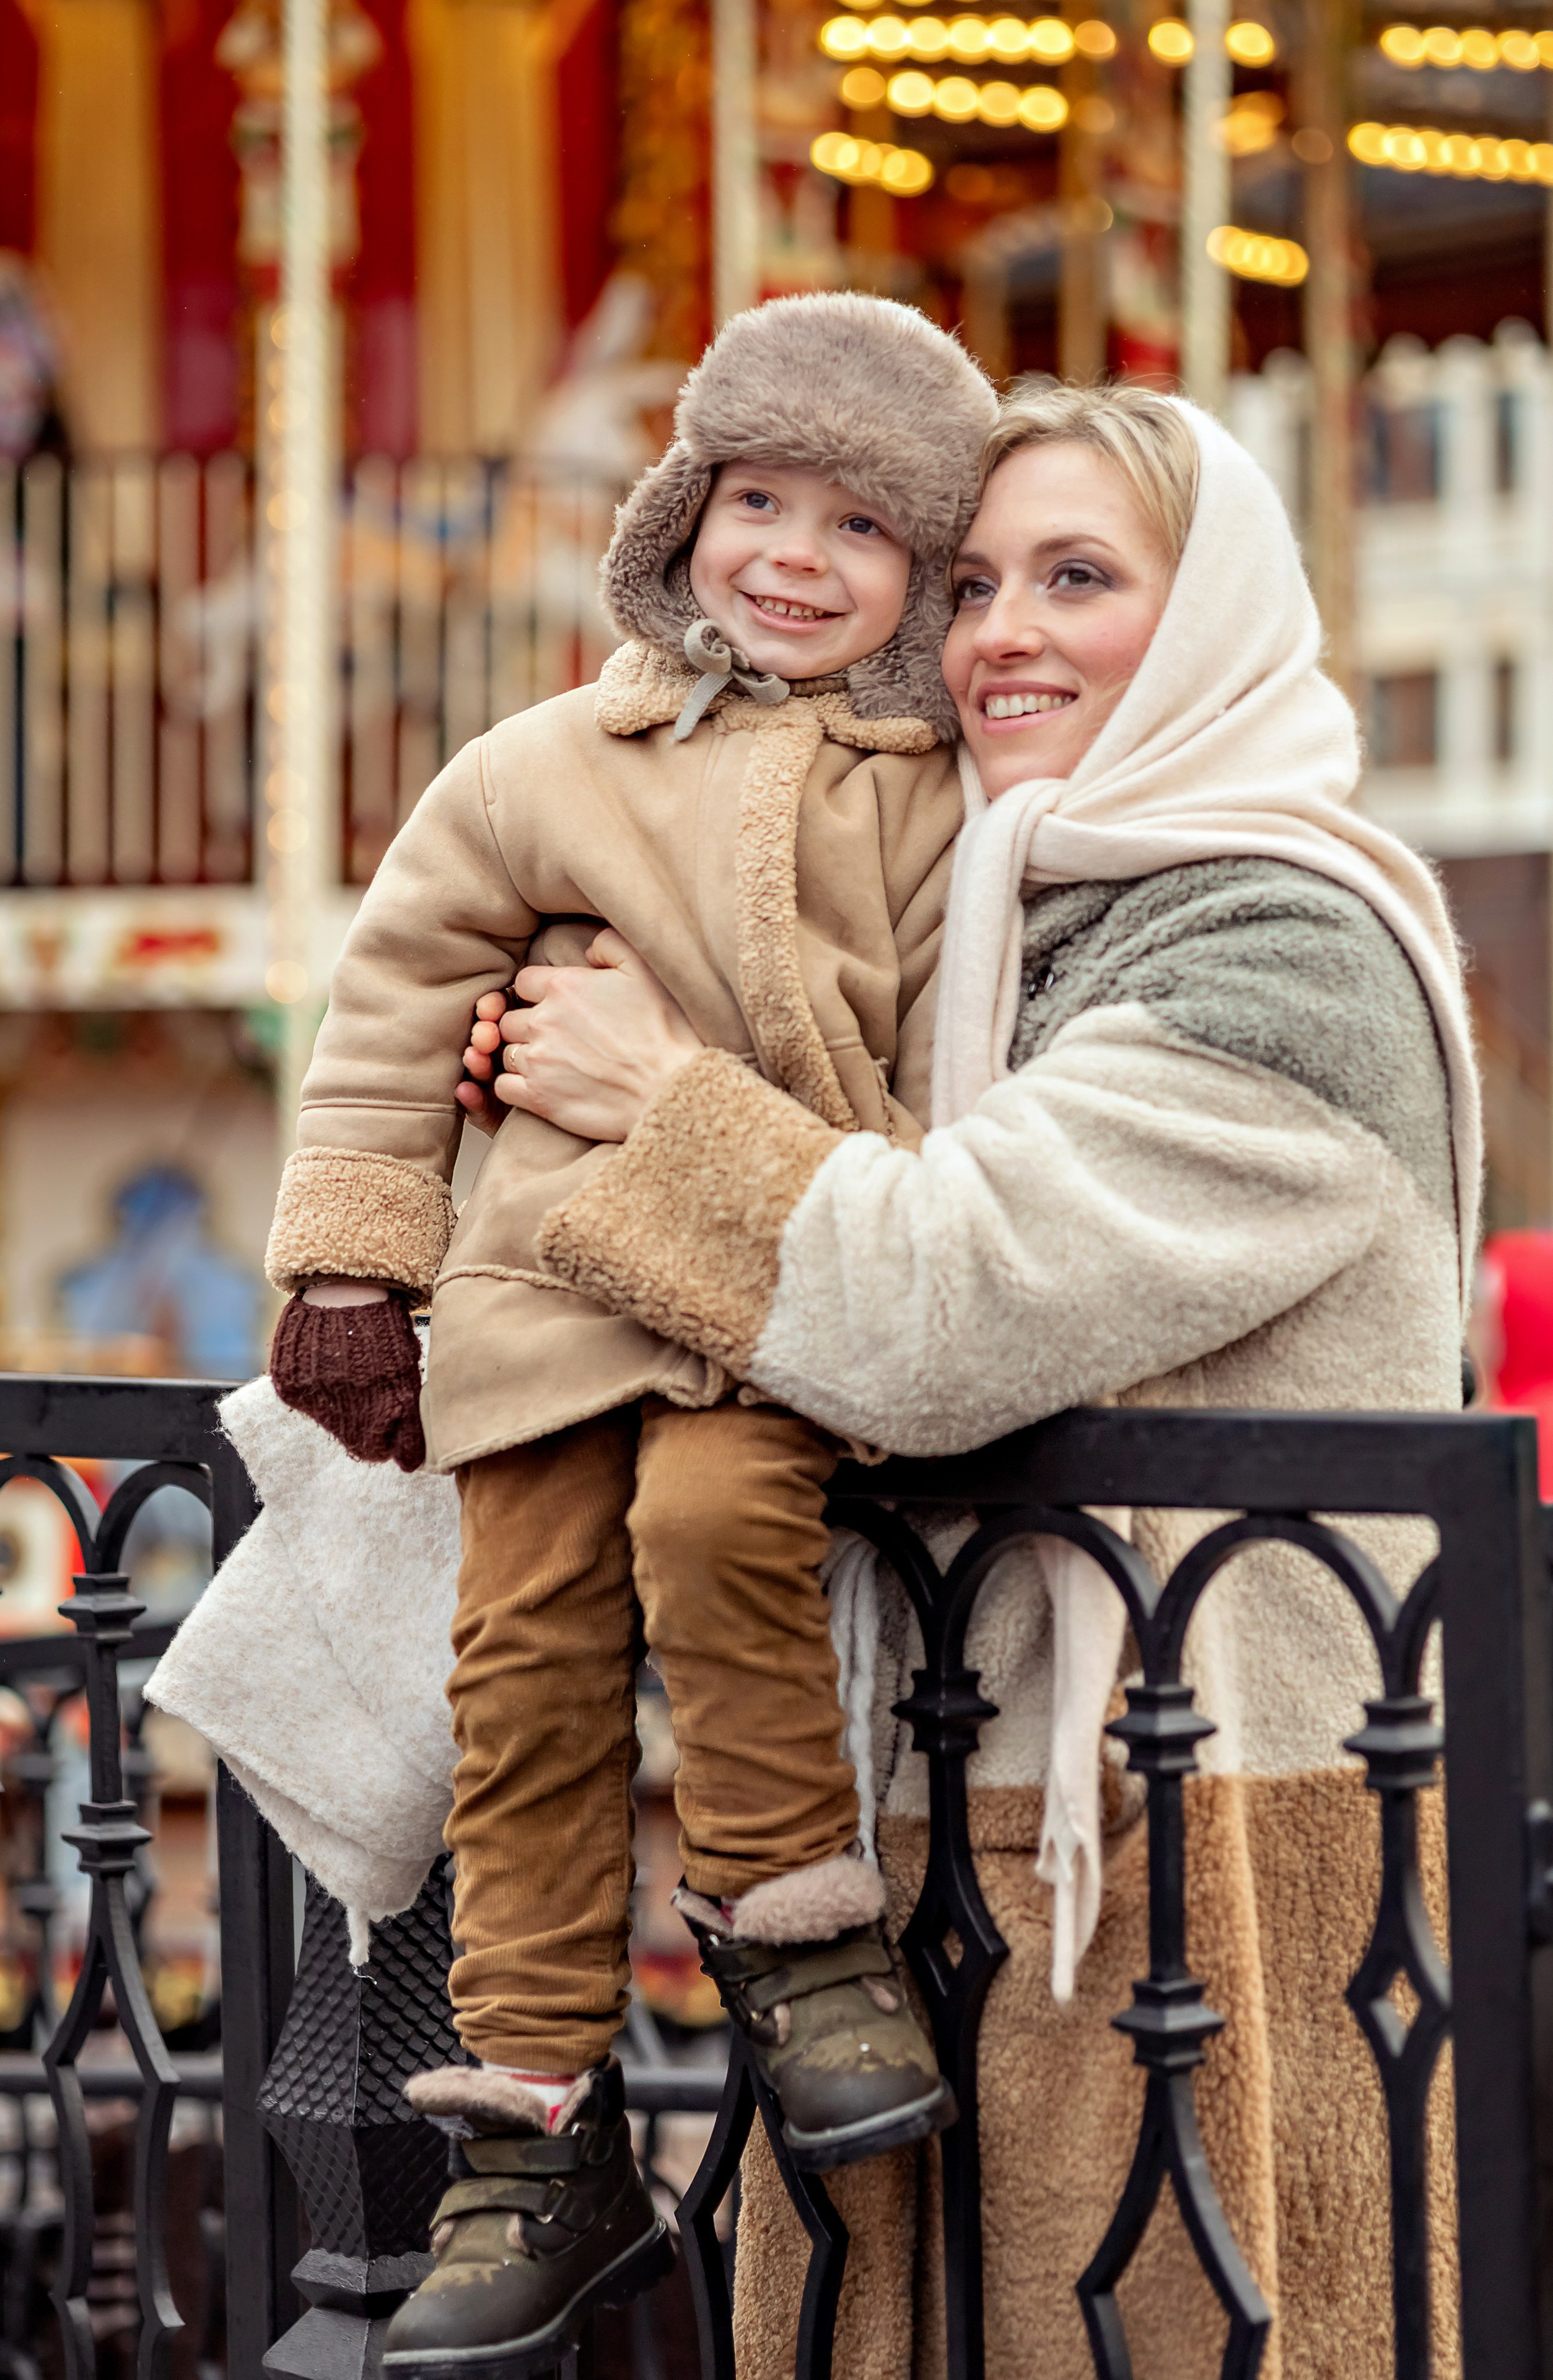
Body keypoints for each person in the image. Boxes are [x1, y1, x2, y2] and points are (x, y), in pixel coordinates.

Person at [457, 382, 1478, 2377]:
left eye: (1079, 578)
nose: (998, 631)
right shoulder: (1008, 913)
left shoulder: (1279, 944)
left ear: (1208, 624)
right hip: (957, 1827)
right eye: (977, 578)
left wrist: (658, 1097)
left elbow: (943, 1298)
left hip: (1183, 1862)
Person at [259, 293, 999, 2374]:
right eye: (758, 498)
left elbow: (961, 1057)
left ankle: (798, 1932)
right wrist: (353, 1261)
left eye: (858, 527)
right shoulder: (552, 760)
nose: (792, 550)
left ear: (919, 581)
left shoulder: (932, 803)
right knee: (527, 1657)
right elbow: (401, 985)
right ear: (682, 517)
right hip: (545, 1288)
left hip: (762, 1294)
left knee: (720, 1536)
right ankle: (533, 2112)